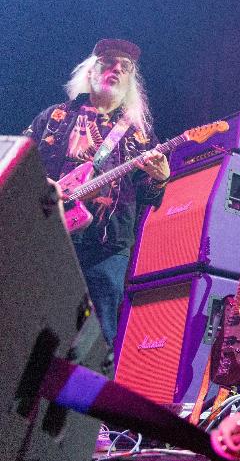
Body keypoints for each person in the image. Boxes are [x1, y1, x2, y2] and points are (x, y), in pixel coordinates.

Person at [23, 39, 170, 361]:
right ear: (91, 71)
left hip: (104, 249)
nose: (116, 69)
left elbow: (148, 196)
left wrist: (160, 178)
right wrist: (40, 182)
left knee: (95, 339)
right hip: (46, 236)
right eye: (108, 62)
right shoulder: (54, 117)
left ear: (131, 81)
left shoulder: (139, 135)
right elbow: (18, 166)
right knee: (27, 322)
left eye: (125, 67)